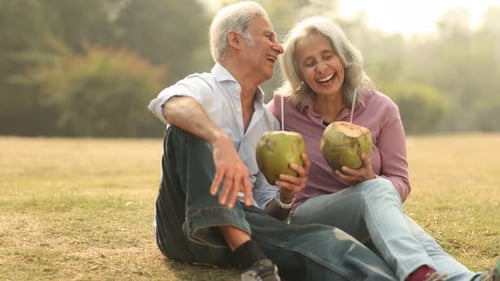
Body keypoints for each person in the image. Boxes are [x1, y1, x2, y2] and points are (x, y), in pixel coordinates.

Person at [147, 2, 400, 281]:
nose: (279, 48)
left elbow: (268, 211)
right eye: (268, 36)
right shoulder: (204, 88)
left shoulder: (267, 122)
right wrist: (218, 139)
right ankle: (251, 260)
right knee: (185, 129)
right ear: (235, 40)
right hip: (185, 226)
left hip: (245, 226)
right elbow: (169, 103)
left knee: (325, 240)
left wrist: (285, 197)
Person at [266, 15, 500, 281]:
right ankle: (417, 274)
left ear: (343, 56)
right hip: (310, 215)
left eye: (327, 55)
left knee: (419, 241)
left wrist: (369, 179)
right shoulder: (283, 109)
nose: (321, 67)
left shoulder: (381, 108)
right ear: (299, 74)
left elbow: (400, 181)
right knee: (378, 195)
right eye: (309, 63)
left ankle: (474, 280)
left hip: (370, 210)